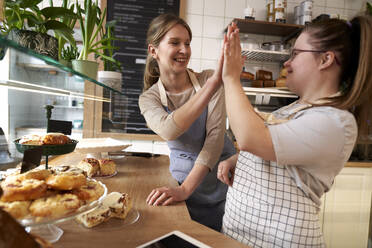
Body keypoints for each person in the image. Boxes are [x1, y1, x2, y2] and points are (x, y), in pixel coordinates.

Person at [217, 15, 372, 247]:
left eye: (296, 54)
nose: (286, 63)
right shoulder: (296, 108)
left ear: (326, 59)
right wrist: (239, 158)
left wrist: (231, 78)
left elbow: (252, 138)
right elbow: (278, 150)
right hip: (239, 236)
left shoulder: (336, 121)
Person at [138, 13, 236, 231]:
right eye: (175, 42)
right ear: (153, 51)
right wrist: (184, 191)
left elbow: (214, 140)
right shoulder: (149, 98)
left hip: (225, 177)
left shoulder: (207, 78)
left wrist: (212, 83)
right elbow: (169, 129)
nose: (184, 50)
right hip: (184, 182)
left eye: (187, 43)